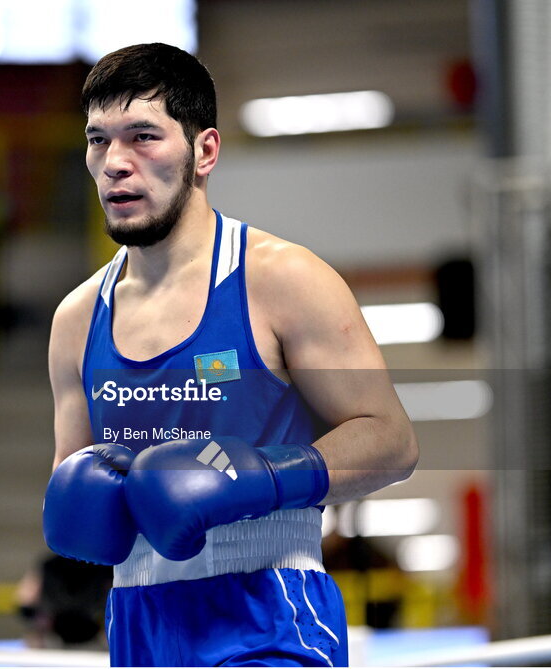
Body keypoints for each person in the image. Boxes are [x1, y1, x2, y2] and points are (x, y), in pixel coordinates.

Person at [43, 43, 418, 667]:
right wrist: (73, 509)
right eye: (98, 140)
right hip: (140, 625)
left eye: (142, 136)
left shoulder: (283, 281)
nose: (115, 163)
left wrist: (265, 478)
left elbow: (392, 441)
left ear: (205, 151)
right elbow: (75, 489)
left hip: (269, 612)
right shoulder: (77, 320)